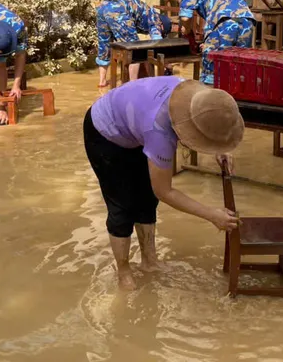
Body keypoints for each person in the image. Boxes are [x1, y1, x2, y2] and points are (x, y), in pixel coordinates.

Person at [83, 76, 244, 290]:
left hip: (136, 127)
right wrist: (212, 215)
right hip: (105, 133)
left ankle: (149, 261)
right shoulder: (159, 131)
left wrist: (219, 148)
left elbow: (208, 119)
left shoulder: (200, 97)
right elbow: (164, 191)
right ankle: (124, 271)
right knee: (122, 206)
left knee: (147, 200)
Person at [178, 0, 255, 86]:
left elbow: (185, 18)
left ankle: (211, 95)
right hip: (247, 22)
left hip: (223, 22)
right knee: (239, 70)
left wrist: (187, 30)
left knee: (212, 74)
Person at [95, 0, 174, 87]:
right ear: (162, 26)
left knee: (104, 44)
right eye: (162, 32)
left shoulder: (148, 13)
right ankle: (133, 85)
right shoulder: (156, 19)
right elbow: (158, 43)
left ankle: (102, 81)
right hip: (118, 9)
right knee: (135, 49)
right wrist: (166, 64)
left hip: (103, 7)